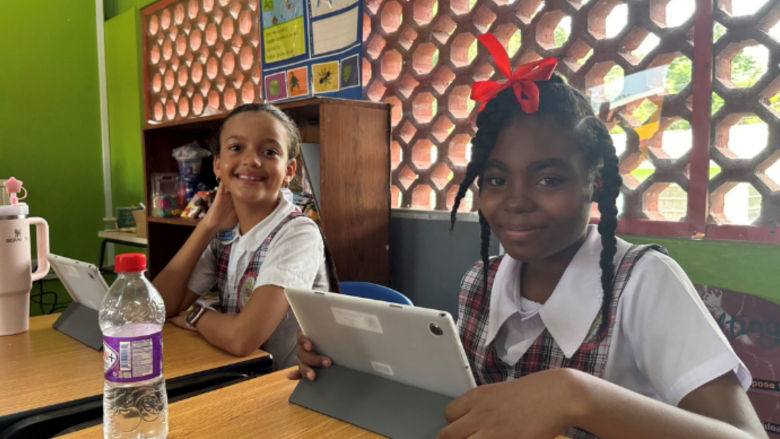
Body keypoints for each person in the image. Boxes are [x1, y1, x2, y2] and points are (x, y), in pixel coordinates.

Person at [289, 34, 767, 438]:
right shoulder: (481, 282)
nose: (515, 201)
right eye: (496, 180)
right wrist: (350, 363)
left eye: (548, 179)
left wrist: (579, 396)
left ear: (594, 183)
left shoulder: (642, 283)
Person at [154, 103, 336, 369]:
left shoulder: (297, 233)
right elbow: (158, 307)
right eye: (236, 148)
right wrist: (207, 227)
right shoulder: (224, 232)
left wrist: (195, 315)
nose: (252, 160)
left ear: (289, 170)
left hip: (279, 387)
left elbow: (242, 339)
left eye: (270, 151)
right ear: (217, 164)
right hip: (234, 372)